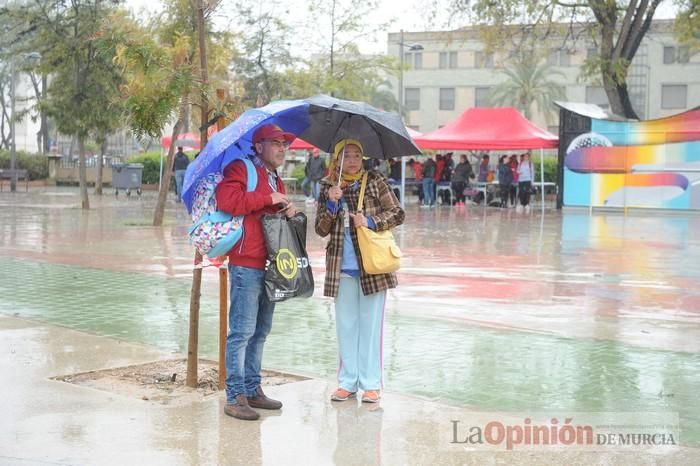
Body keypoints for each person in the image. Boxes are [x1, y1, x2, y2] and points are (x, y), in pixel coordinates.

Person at [215, 123, 297, 421]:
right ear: (259, 146)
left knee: (261, 332)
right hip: (246, 264)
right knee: (241, 333)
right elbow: (226, 202)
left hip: (272, 265)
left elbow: (270, 213)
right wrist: (267, 199)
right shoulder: (241, 169)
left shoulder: (276, 178)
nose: (281, 148)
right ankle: (235, 396)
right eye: (275, 143)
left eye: (284, 143)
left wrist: (287, 209)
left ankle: (252, 389)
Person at [315, 139, 405, 404]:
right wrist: (331, 205)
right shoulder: (327, 187)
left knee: (371, 327)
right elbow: (320, 229)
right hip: (341, 268)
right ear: (337, 160)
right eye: (346, 155)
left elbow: (398, 213)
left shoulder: (375, 180)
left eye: (356, 155)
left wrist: (370, 221)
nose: (352, 160)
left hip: (373, 267)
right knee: (346, 326)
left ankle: (371, 384)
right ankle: (346, 383)